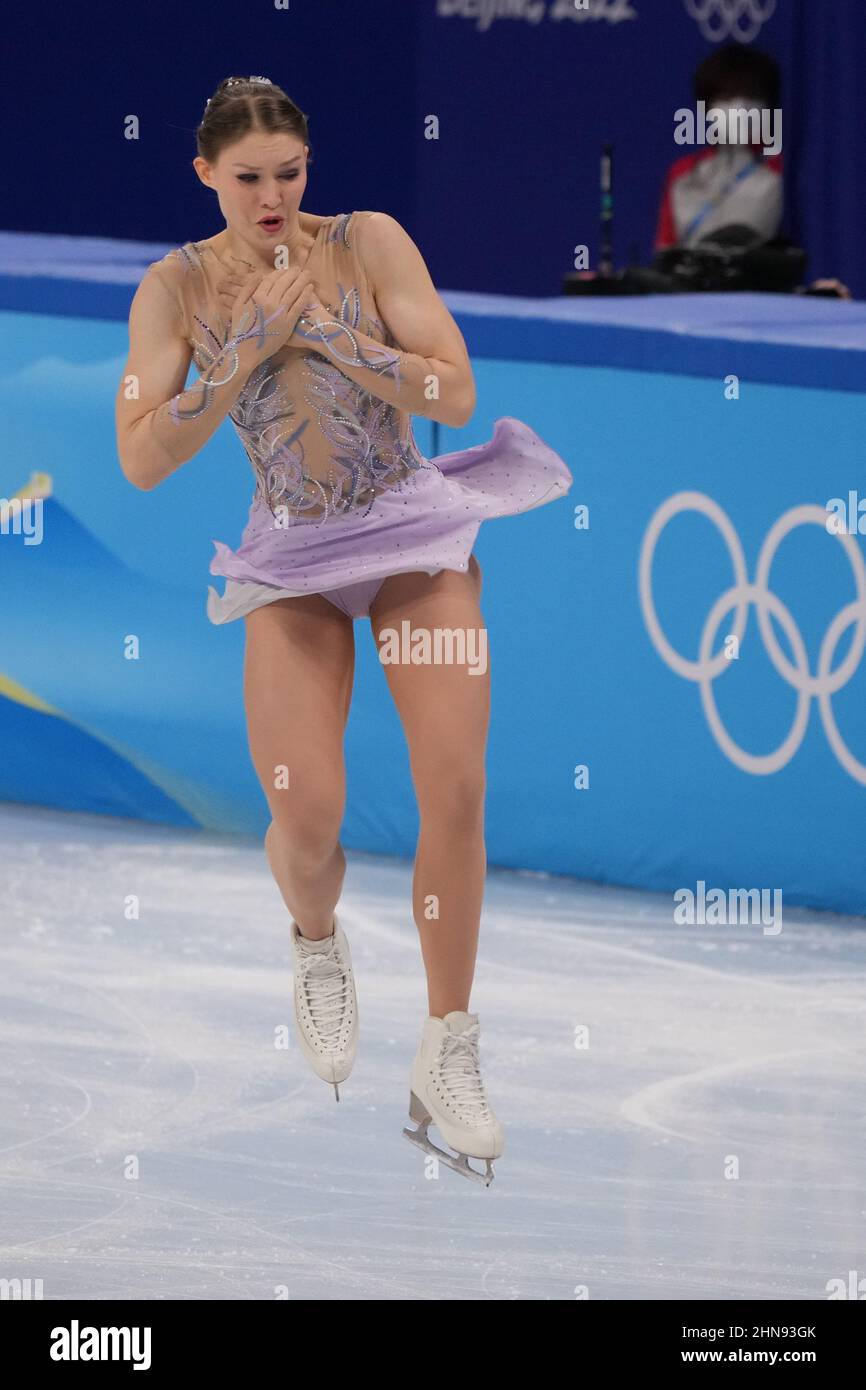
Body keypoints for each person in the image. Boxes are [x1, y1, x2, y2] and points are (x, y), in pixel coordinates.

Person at [115, 75, 572, 1186]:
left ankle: (447, 1045)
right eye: (247, 179)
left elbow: (453, 394)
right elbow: (139, 456)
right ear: (204, 176)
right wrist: (237, 357)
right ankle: (316, 940)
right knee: (305, 808)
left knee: (453, 781)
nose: (272, 197)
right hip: (295, 561)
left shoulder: (368, 244)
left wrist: (326, 333)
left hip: (411, 532)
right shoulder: (175, 288)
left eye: (289, 173)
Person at [655, 45, 784, 252]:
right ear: (707, 105)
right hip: (690, 282)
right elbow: (665, 246)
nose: (739, 107)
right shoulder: (683, 172)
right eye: (726, 97)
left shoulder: (781, 169)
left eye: (751, 96)